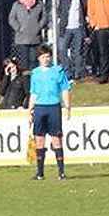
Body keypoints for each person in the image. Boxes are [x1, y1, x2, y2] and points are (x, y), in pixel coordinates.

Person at [28, 44, 71, 180]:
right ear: (39, 59)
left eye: (48, 57)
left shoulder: (58, 71)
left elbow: (64, 89)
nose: (46, 59)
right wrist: (30, 111)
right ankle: (40, 172)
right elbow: (33, 93)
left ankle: (61, 172)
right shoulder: (35, 73)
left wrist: (67, 107)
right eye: (43, 57)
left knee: (56, 139)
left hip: (53, 107)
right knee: (39, 140)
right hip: (40, 108)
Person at [56, 0, 88, 81]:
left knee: (78, 51)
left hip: (78, 26)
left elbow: (85, 8)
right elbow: (60, 9)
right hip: (66, 27)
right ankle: (67, 72)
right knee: (62, 49)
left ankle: (78, 74)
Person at [8, 0, 46, 69]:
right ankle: (25, 80)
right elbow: (12, 19)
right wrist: (18, 28)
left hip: (35, 38)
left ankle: (34, 80)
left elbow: (44, 17)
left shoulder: (39, 4)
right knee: (24, 62)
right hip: (22, 39)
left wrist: (38, 27)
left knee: (34, 61)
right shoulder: (16, 5)